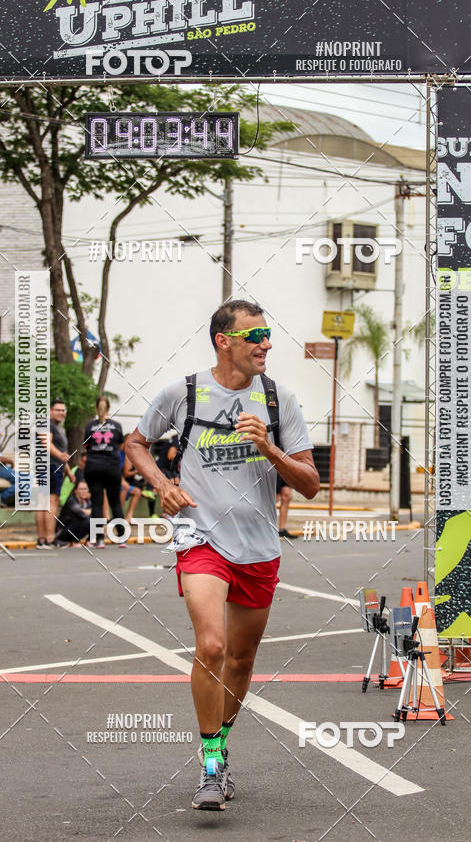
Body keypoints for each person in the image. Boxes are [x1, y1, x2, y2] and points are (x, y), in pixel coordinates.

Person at [125, 300, 319, 811]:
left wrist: (271, 450)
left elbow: (312, 486)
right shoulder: (184, 392)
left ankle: (220, 745)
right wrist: (163, 483)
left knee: (241, 657)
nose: (266, 344)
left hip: (257, 545)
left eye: (269, 335)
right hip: (200, 536)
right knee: (211, 646)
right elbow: (137, 442)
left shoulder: (280, 401)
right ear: (223, 340)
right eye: (255, 334)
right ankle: (211, 766)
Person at [83, 396, 127, 548]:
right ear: (108, 408)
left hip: (93, 466)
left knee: (97, 503)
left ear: (96, 408)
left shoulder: (90, 426)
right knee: (115, 502)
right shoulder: (117, 426)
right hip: (111, 467)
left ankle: (99, 539)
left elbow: (86, 447)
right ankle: (121, 537)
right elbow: (120, 446)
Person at [36, 399, 74, 549]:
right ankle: (50, 539)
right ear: (51, 410)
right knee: (51, 503)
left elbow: (61, 453)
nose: (61, 413)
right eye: (58, 410)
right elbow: (46, 443)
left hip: (51, 466)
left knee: (43, 503)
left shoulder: (57, 427)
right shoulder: (47, 424)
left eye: (63, 410)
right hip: (50, 467)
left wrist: (69, 471)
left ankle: (42, 540)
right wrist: (59, 455)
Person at [55, 480, 92, 547]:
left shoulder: (87, 502)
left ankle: (90, 541)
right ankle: (74, 541)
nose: (83, 491)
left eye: (85, 489)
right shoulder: (71, 500)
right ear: (75, 490)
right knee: (88, 520)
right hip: (63, 531)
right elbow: (82, 514)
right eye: (81, 489)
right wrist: (88, 511)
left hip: (73, 528)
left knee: (96, 519)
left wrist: (90, 511)